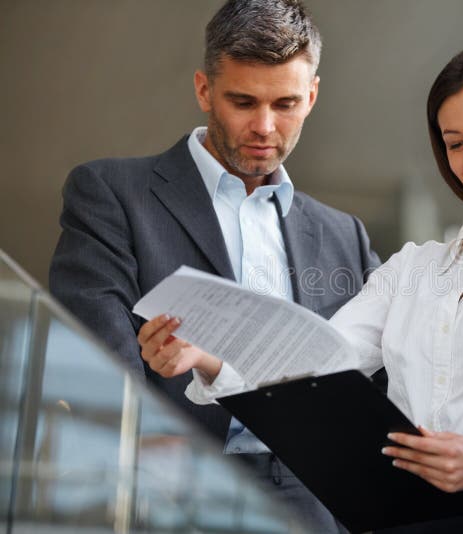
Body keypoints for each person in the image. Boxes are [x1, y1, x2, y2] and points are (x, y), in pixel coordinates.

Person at [140, 41, 463, 532]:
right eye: (455, 143)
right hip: (399, 517)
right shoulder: (415, 267)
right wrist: (208, 359)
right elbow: (314, 362)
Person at [49, 0, 379, 531]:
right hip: (170, 485)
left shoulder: (345, 236)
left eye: (286, 103)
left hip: (313, 496)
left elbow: (368, 390)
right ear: (204, 90)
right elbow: (95, 357)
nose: (264, 126)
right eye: (243, 101)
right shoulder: (112, 195)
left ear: (312, 96)